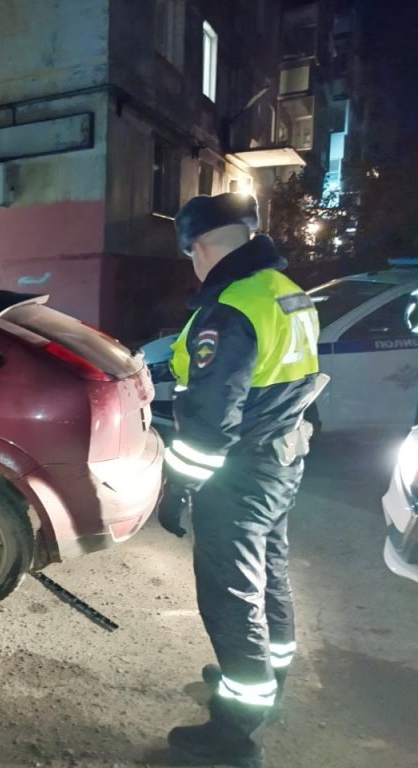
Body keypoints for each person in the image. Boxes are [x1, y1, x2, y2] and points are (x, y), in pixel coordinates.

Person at [157, 193, 323, 767]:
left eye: (191, 256)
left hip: (241, 473)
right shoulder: (287, 292)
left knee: (230, 594)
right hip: (282, 459)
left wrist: (177, 488)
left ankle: (235, 731)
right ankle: (270, 672)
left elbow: (209, 422)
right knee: (268, 571)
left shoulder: (229, 309)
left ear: (199, 247)